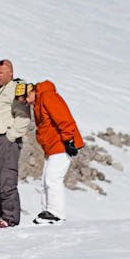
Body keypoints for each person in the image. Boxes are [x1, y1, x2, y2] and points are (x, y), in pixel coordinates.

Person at [0, 58, 30, 228]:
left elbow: (23, 116)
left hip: (5, 140)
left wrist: (11, 136)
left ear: (11, 73)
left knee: (5, 180)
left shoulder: (16, 89)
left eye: (1, 72)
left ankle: (9, 218)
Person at [24, 79, 83, 223]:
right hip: (52, 147)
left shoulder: (48, 96)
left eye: (24, 98)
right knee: (45, 179)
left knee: (53, 178)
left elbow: (63, 117)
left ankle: (56, 213)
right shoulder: (38, 102)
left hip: (61, 144)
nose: (25, 102)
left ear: (31, 91)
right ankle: (47, 211)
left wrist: (69, 140)